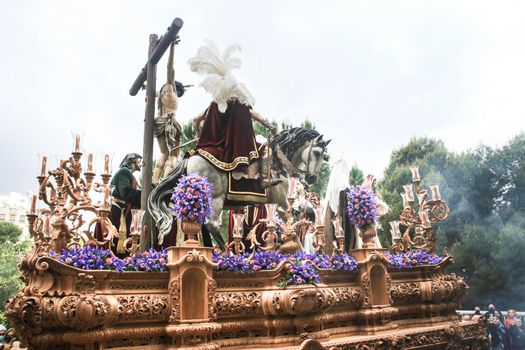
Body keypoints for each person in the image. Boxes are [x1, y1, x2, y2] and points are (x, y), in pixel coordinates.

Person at [188, 40, 280, 190]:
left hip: (213, 147)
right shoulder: (241, 104)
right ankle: (264, 179)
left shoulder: (213, 106)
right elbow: (254, 114)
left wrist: (199, 135)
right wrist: (270, 126)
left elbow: (195, 120)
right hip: (239, 148)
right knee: (267, 151)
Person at [153, 40, 187, 185]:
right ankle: (166, 180)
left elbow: (154, 93)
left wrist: (146, 87)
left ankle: (155, 180)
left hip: (158, 122)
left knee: (164, 153)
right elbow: (170, 68)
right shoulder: (170, 87)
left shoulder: (162, 92)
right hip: (169, 122)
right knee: (174, 154)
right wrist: (172, 47)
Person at [110, 153, 142, 255]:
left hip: (124, 209)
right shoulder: (124, 171)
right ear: (132, 161)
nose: (141, 163)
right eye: (139, 160)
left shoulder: (129, 174)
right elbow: (126, 192)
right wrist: (144, 194)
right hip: (118, 210)